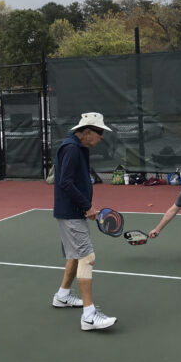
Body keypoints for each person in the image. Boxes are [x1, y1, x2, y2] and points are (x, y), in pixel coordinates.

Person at [52, 112, 117, 331]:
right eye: (100, 133)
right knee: (87, 257)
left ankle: (62, 296)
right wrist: (86, 206)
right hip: (71, 212)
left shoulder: (78, 147)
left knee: (75, 256)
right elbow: (65, 183)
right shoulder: (71, 148)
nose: (101, 138)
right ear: (88, 131)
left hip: (71, 211)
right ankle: (89, 316)